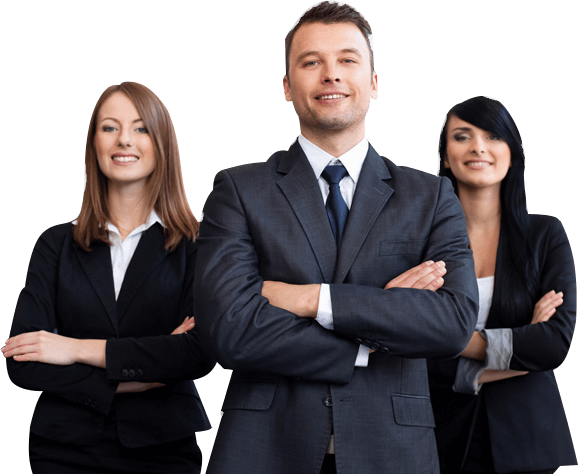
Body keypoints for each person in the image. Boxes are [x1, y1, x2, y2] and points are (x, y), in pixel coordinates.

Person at [193, 2, 478, 473]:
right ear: (286, 86)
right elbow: (228, 331)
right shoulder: (238, 190)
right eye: (311, 62)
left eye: (348, 60)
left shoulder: (430, 196)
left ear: (373, 83)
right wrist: (376, 330)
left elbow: (452, 323)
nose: (331, 75)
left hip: (391, 451)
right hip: (265, 449)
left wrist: (312, 300)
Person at [3, 81, 215, 474]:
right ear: (93, 144)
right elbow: (23, 360)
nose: (124, 140)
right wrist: (144, 374)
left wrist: (73, 349)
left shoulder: (197, 245)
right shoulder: (55, 244)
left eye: (140, 128)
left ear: (162, 144)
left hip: (164, 447)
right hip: (63, 450)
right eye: (109, 127)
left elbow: (198, 352)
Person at [427, 96, 577, 473]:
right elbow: (408, 346)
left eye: (493, 136)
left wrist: (458, 342)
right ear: (445, 156)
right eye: (462, 136)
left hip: (528, 442)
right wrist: (517, 346)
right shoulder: (420, 244)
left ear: (511, 151)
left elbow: (553, 343)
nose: (478, 147)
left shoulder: (545, 235)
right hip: (437, 436)